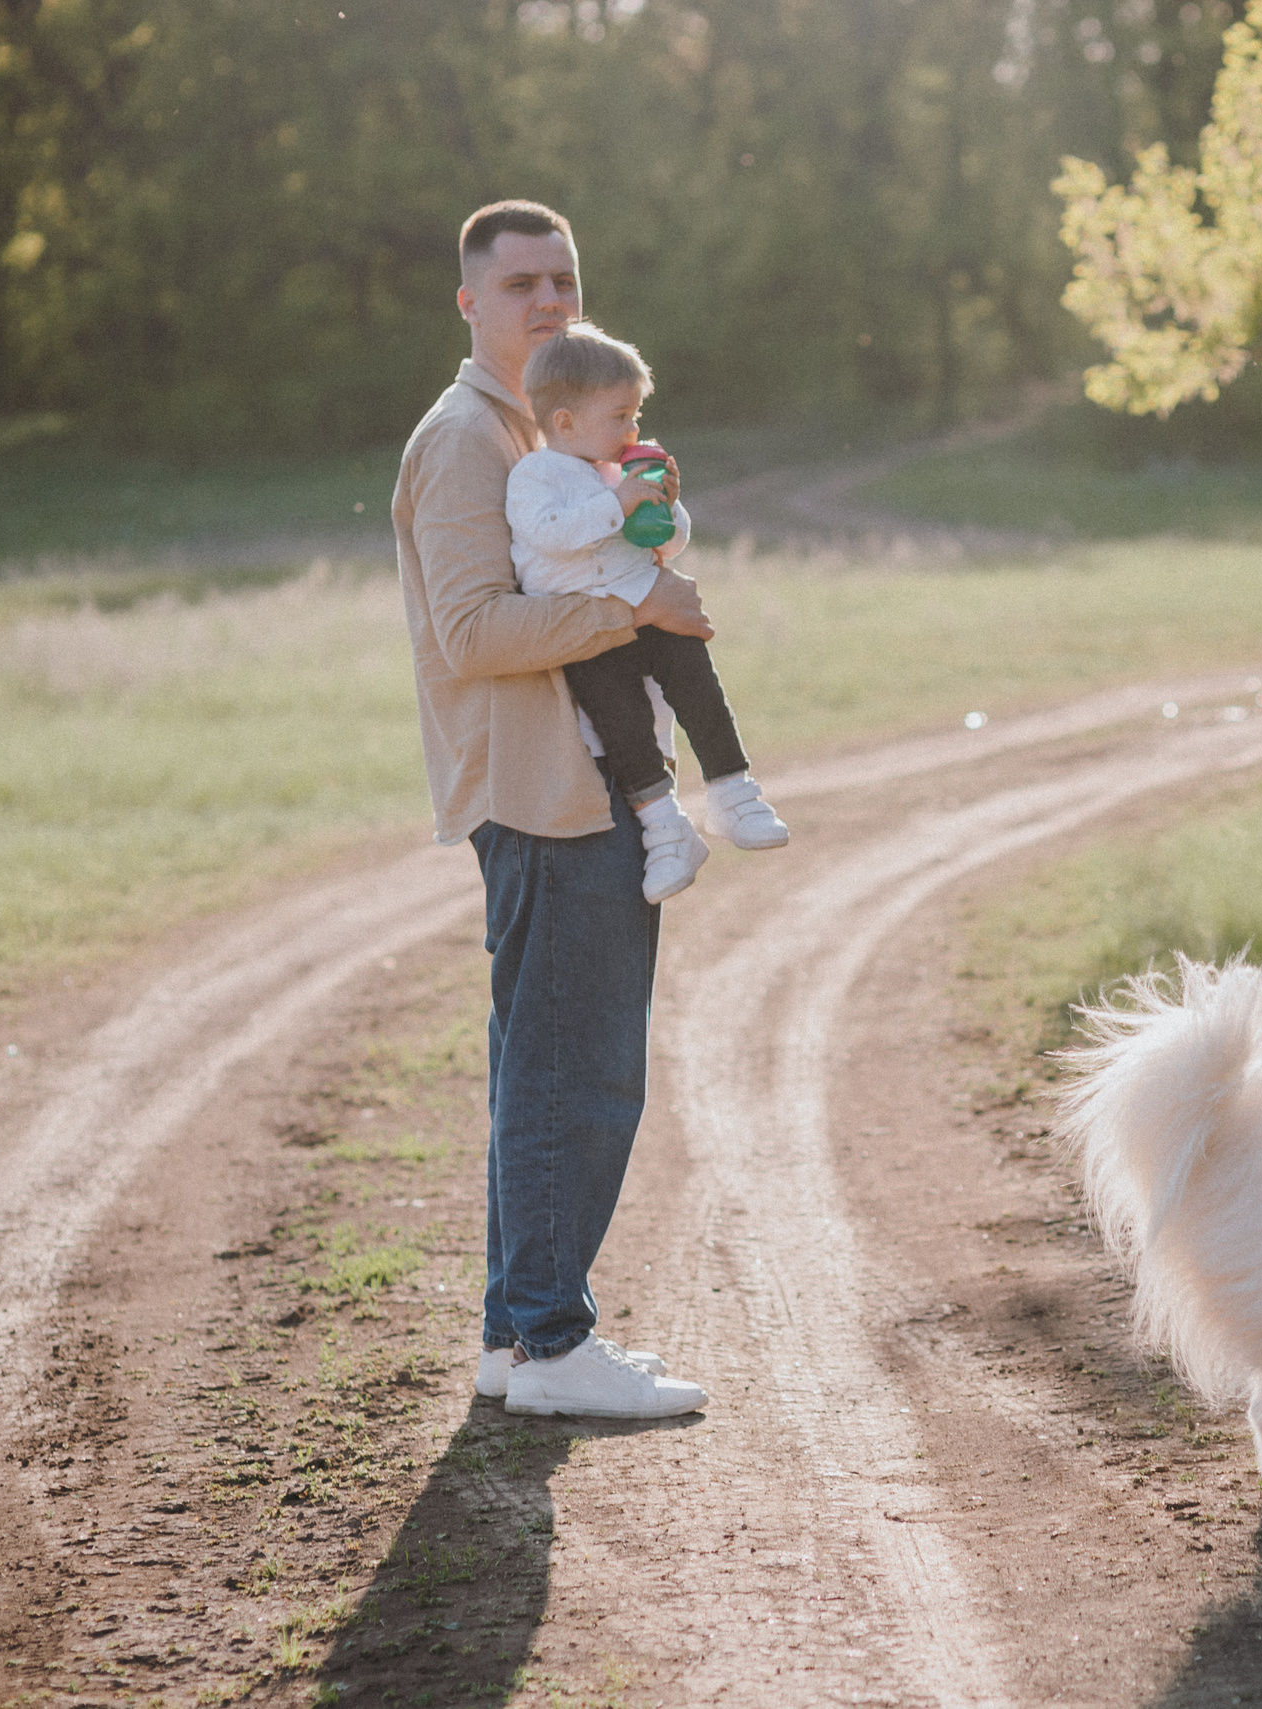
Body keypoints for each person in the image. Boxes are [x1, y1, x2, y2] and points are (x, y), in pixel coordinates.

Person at [393, 199, 709, 1420]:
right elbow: (470, 631)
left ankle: (511, 1337)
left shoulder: (556, 423)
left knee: (550, 1063)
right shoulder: (466, 439)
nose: (548, 300)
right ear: (470, 301)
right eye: (519, 282)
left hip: (577, 785)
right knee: (574, 1073)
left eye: (563, 278)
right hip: (544, 798)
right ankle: (554, 1343)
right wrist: (641, 608)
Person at [508, 320, 790, 905]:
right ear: (565, 422)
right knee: (622, 724)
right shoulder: (535, 476)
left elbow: (665, 545)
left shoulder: (618, 471)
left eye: (635, 414)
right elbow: (549, 536)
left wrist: (668, 507)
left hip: (651, 607)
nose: (633, 428)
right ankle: (666, 829)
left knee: (698, 686)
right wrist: (617, 502)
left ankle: (734, 793)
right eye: (620, 416)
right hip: (587, 628)